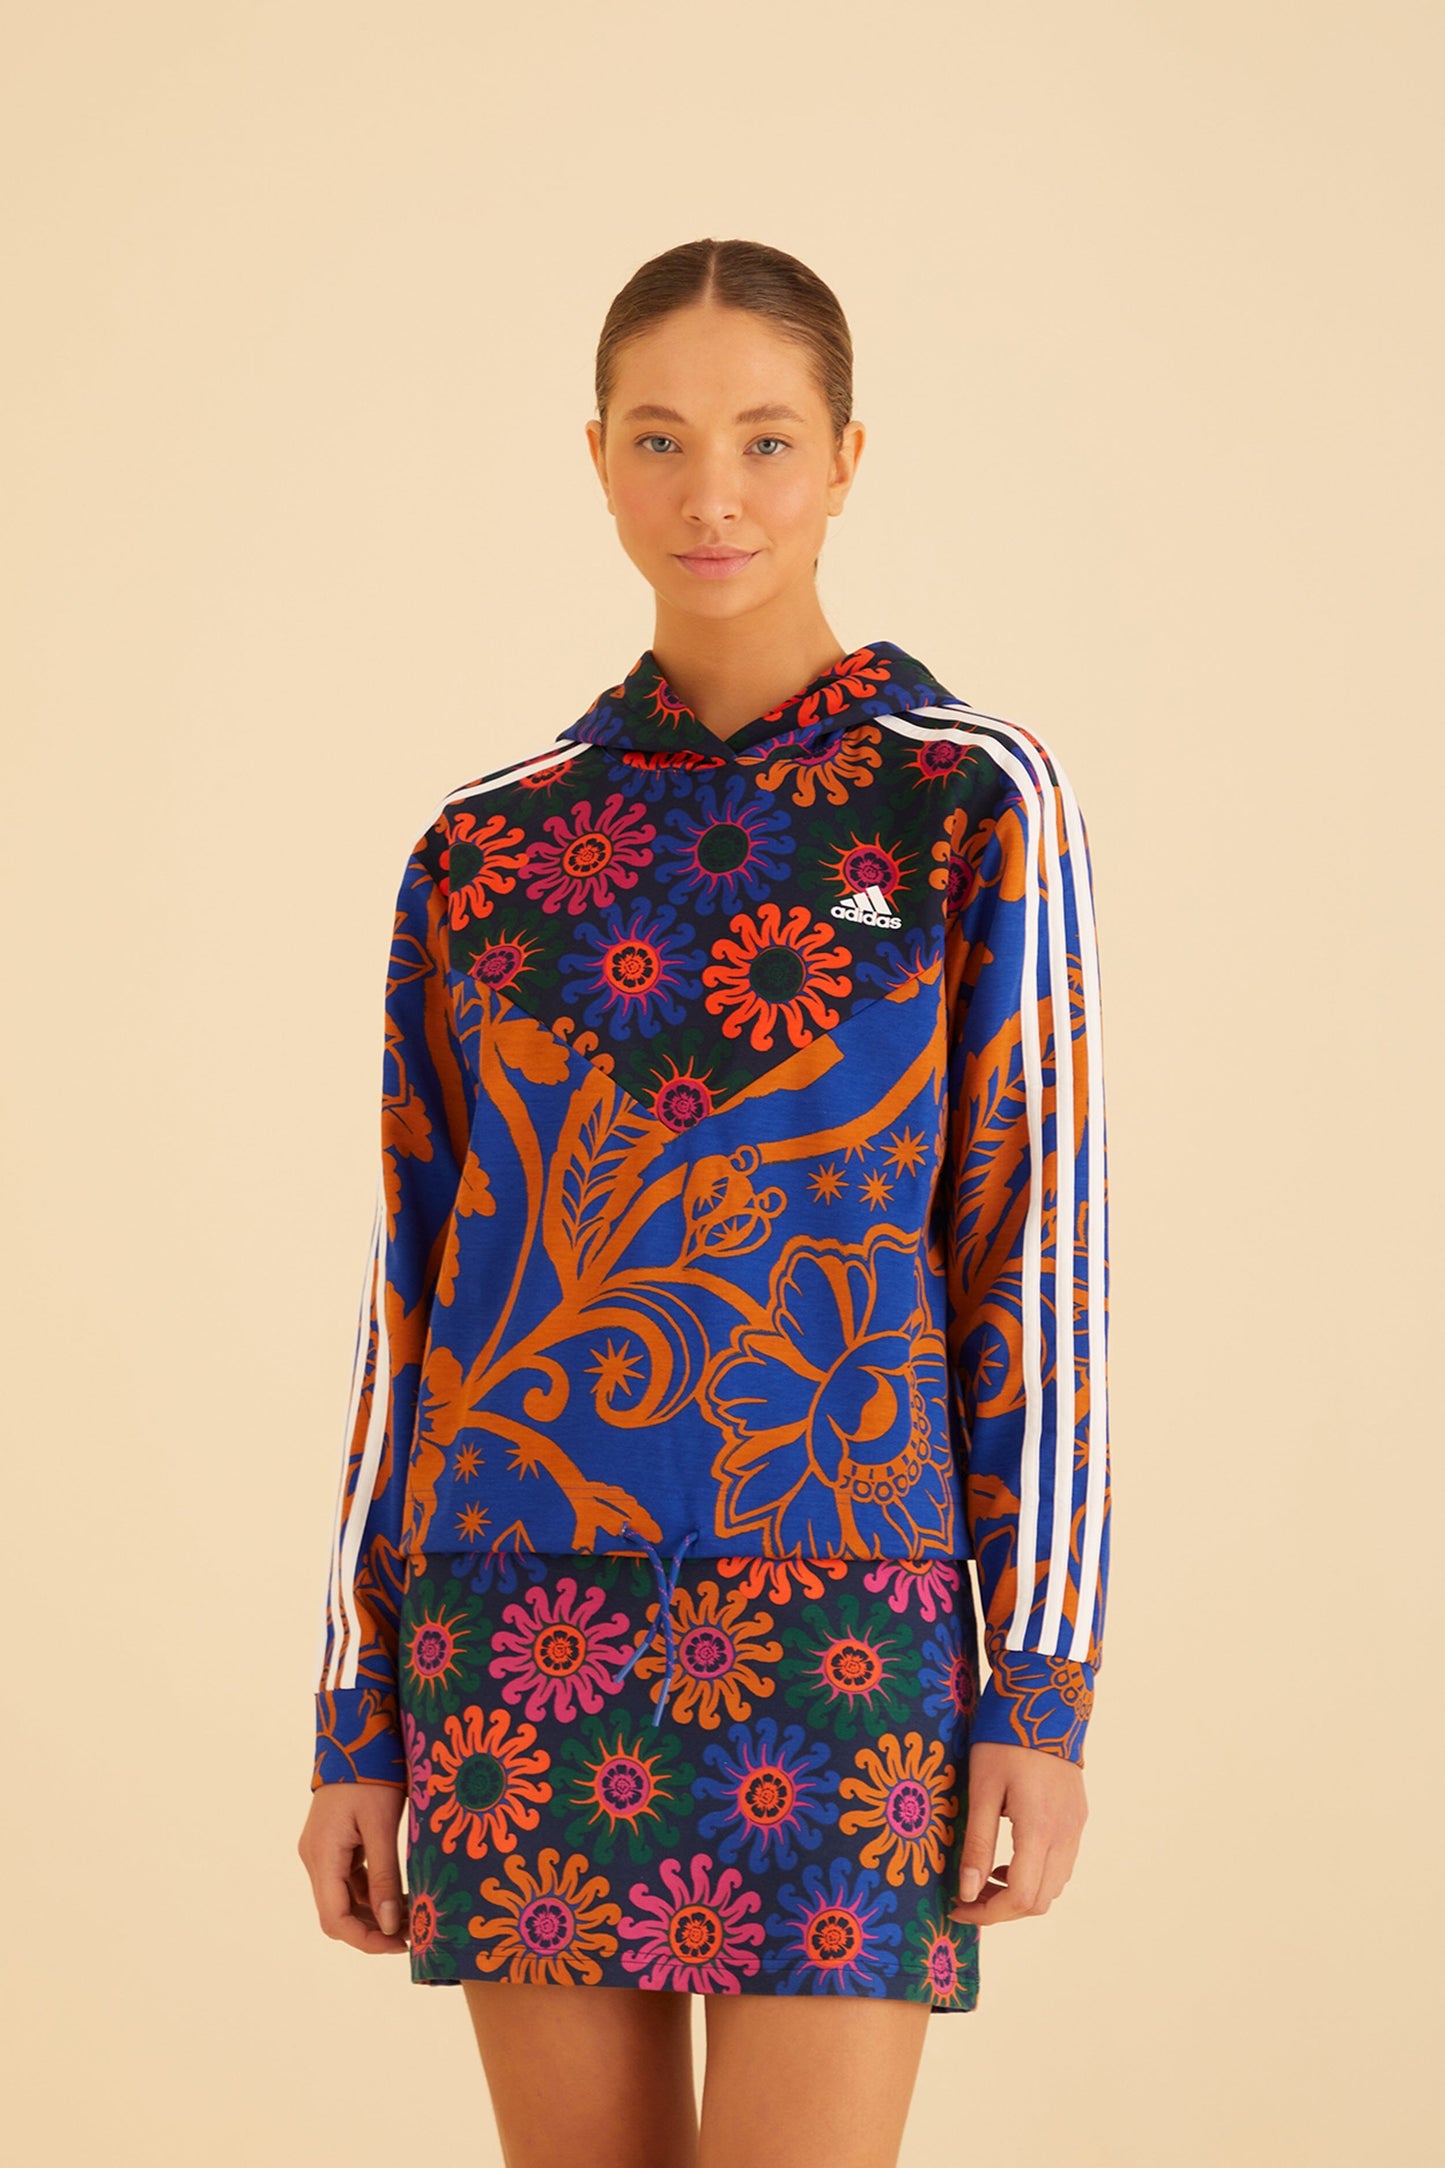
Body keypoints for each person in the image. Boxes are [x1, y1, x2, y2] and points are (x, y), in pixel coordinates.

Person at [297, 235, 1111, 2168]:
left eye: (764, 439)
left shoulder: (968, 800)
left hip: (846, 1639)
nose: (712, 493)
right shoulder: (484, 846)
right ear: (595, 459)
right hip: (512, 1630)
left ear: (845, 459)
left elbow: (1033, 1254)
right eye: (659, 439)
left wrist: (1041, 1689)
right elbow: (410, 1296)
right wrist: (352, 1709)